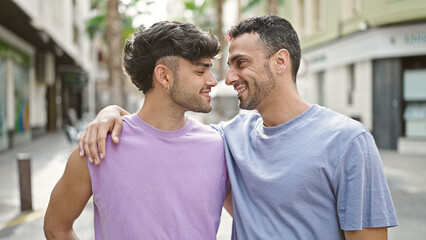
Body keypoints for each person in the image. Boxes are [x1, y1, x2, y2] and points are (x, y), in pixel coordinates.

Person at [79, 16, 398, 239]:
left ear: (280, 62)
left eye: (240, 63)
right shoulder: (228, 138)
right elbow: (162, 126)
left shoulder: (348, 141)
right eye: (228, 66)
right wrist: (111, 113)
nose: (228, 78)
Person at [44, 21, 231, 240]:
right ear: (164, 76)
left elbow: (257, 217)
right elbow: (56, 227)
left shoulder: (218, 146)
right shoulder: (98, 147)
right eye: (200, 71)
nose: (212, 80)